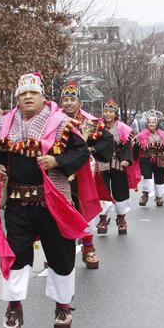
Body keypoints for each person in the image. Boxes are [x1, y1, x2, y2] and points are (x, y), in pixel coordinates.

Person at [0, 72, 99, 328]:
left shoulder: (62, 124)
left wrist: (57, 162)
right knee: (15, 255)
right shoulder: (4, 124)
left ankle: (62, 307)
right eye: (22, 94)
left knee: (60, 254)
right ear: (17, 98)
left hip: (53, 201)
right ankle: (13, 307)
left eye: (32, 93)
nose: (27, 97)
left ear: (42, 97)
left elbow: (81, 153)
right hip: (17, 201)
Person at [58, 80, 113, 269]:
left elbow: (107, 141)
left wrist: (91, 150)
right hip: (58, 170)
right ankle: (56, 250)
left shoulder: (89, 122)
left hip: (82, 170)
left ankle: (88, 248)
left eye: (72, 100)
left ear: (79, 102)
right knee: (59, 210)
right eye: (65, 99)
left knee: (83, 208)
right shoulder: (53, 120)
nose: (69, 103)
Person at [97, 99, 138, 236]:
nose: (107, 114)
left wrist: (126, 159)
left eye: (111, 112)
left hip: (117, 163)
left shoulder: (122, 128)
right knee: (102, 191)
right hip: (100, 163)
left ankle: (121, 218)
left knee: (120, 191)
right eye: (106, 111)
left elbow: (127, 146)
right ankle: (103, 218)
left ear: (115, 114)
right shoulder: (98, 126)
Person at [135, 112, 164, 207]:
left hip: (159, 159)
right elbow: (135, 148)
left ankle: (159, 196)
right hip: (145, 159)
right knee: (147, 178)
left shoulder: (163, 135)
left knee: (160, 179)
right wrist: (132, 159)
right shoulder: (141, 135)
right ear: (147, 123)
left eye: (153, 122)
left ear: (156, 124)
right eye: (150, 122)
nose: (151, 124)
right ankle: (145, 195)